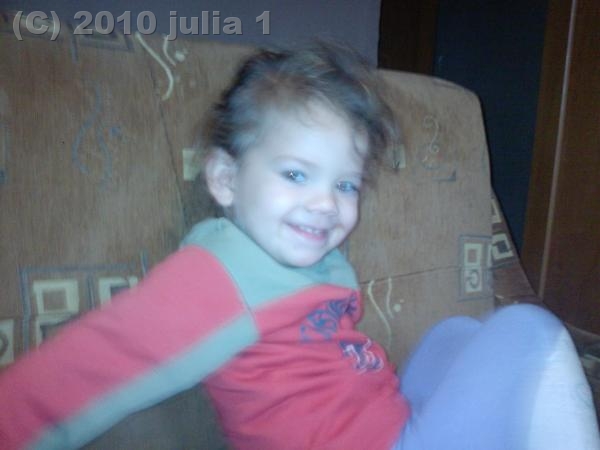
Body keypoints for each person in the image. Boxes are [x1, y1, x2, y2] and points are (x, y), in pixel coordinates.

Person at [0, 42, 598, 450]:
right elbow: (81, 368)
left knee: (456, 335)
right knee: (527, 329)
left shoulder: (315, 264)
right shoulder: (218, 273)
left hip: (392, 424)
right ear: (226, 179)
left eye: (345, 184)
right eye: (295, 174)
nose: (326, 203)